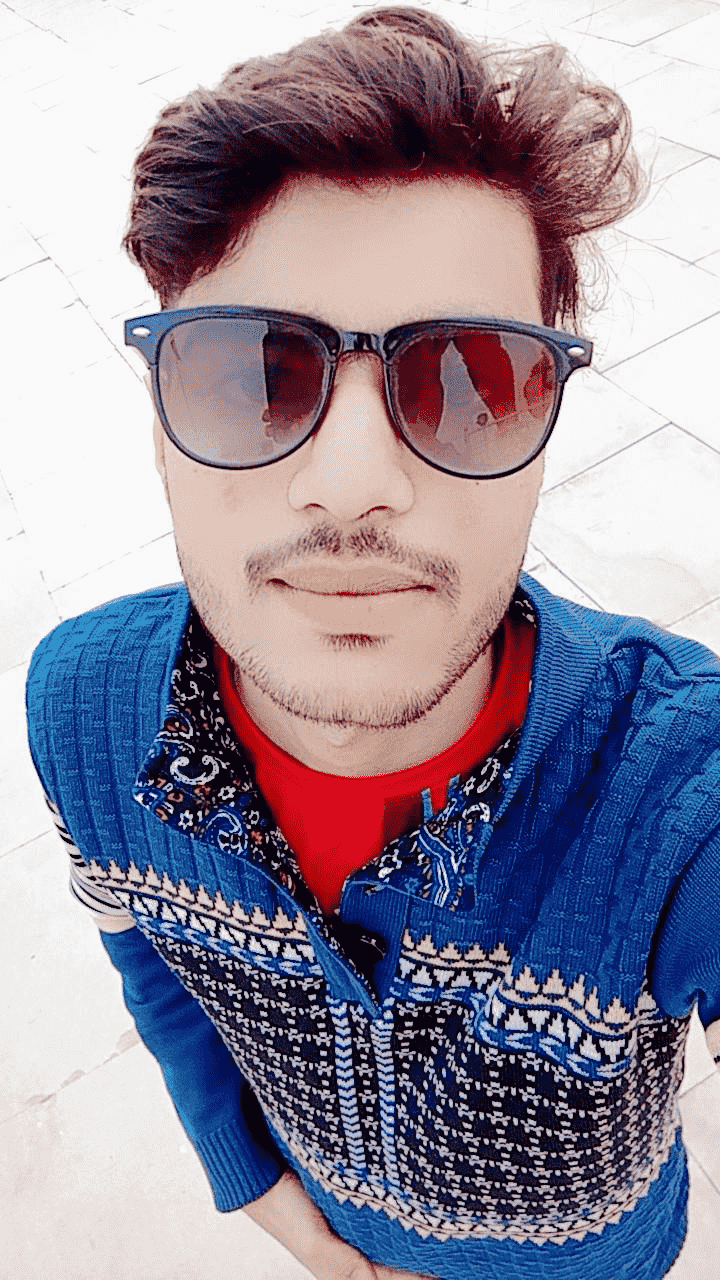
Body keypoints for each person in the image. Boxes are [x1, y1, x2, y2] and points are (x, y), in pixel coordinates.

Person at [25, 6, 720, 1279]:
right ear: (161, 425)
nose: (353, 484)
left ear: (545, 427)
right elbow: (150, 956)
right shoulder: (80, 709)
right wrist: (263, 1196)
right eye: (253, 373)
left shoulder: (680, 788)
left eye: (467, 379)